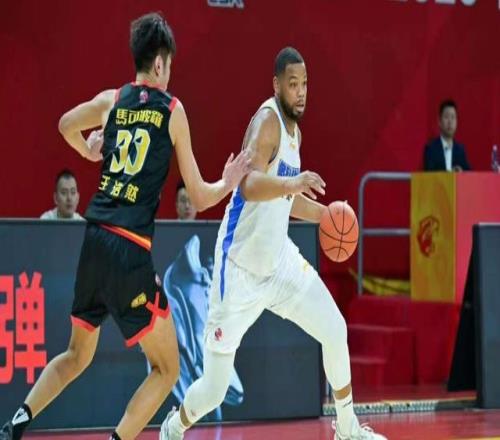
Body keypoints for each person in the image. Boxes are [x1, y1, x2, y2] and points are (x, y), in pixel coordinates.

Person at [0, 12, 248, 440]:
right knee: (168, 368)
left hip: (94, 239)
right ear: (160, 64)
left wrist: (90, 151)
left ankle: (13, 426)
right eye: (169, 66)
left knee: (76, 355)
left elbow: (64, 125)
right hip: (129, 249)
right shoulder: (172, 110)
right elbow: (199, 196)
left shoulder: (112, 100)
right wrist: (229, 181)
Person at [160, 47, 386, 440]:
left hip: (279, 263)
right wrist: (292, 183)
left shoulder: (295, 132)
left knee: (334, 328)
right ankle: (173, 426)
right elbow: (249, 184)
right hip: (238, 270)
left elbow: (286, 198)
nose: (301, 92)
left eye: (305, 84)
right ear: (277, 85)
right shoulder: (266, 122)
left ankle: (347, 429)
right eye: (293, 84)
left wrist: (329, 215)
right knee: (214, 389)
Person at [423, 99, 471, 172]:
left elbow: (469, 173)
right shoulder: (431, 149)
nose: (450, 121)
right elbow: (429, 174)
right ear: (439, 121)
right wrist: (450, 174)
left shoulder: (460, 150)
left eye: (453, 117)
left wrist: (462, 171)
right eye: (446, 117)